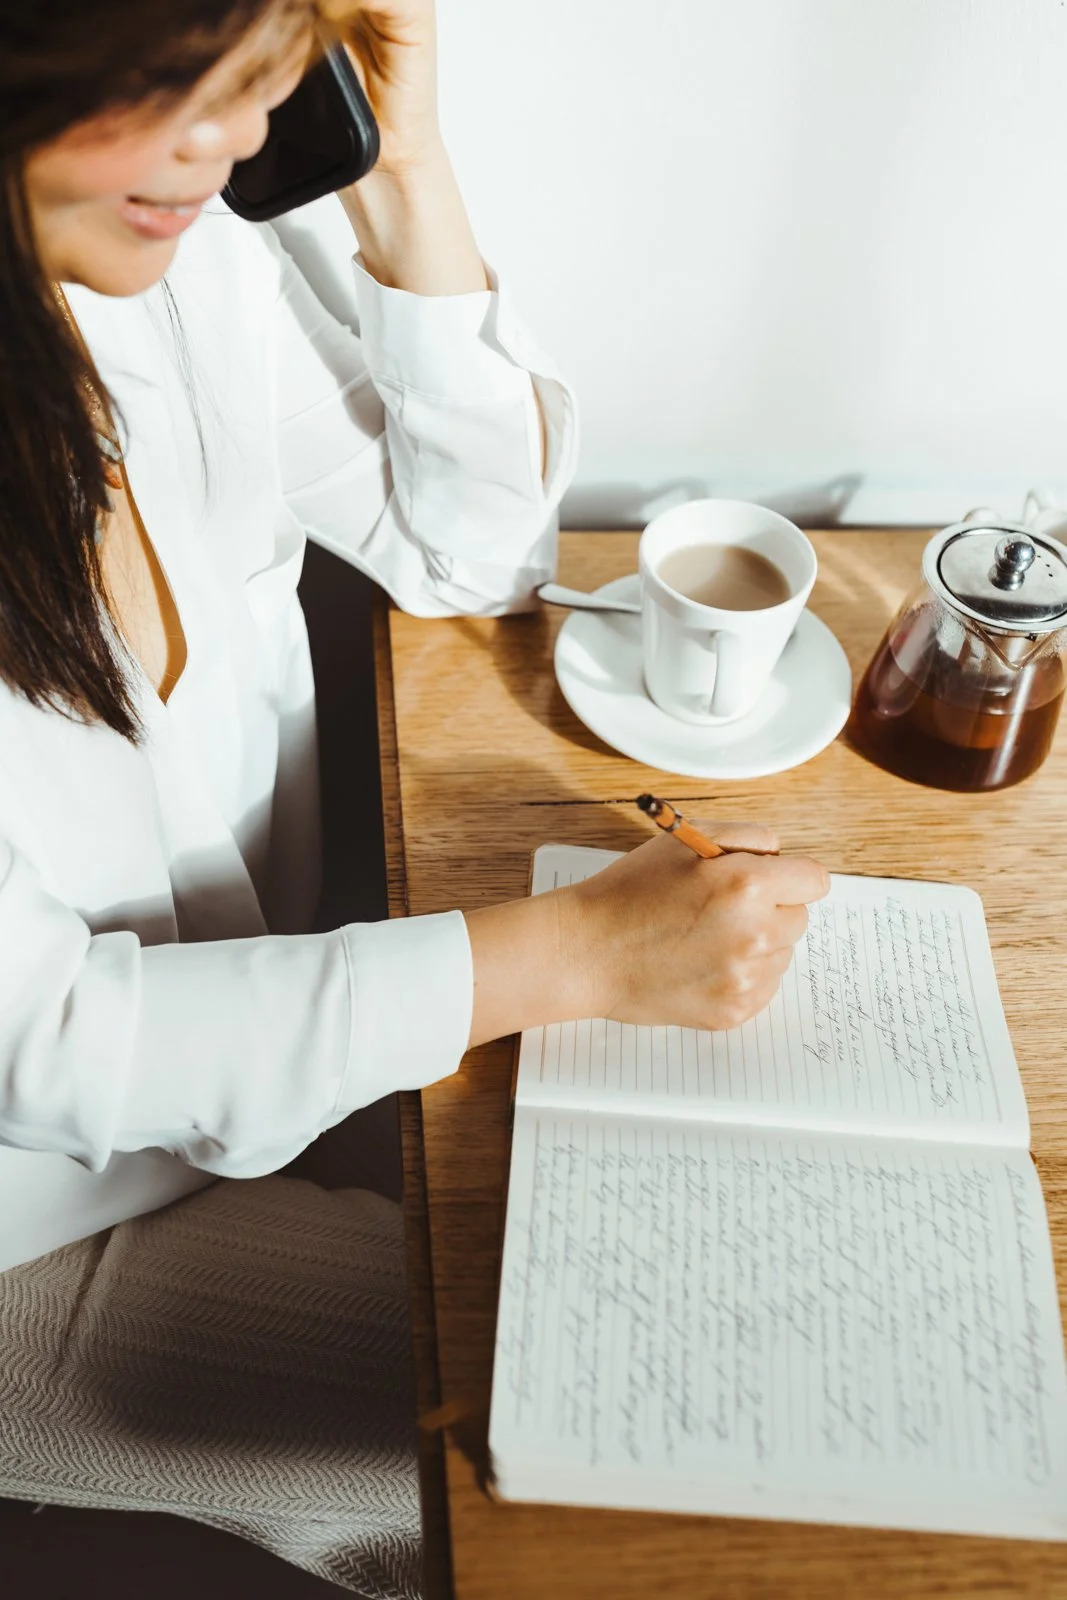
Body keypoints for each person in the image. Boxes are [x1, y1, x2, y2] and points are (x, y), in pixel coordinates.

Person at [0, 0, 829, 1594]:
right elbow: (52, 1040)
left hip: (281, 1076)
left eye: (260, 78)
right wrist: (570, 958)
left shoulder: (169, 260)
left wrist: (408, 165)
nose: (241, 139)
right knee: (635, 1433)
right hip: (51, 1222)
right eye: (186, 88)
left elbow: (466, 545)